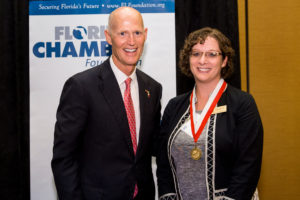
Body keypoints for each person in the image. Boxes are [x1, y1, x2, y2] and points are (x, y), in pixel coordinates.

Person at [51, 7, 162, 200]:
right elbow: (64, 159)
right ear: (108, 37)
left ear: (145, 35)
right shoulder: (81, 87)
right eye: (122, 34)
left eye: (137, 33)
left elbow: (154, 145)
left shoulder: (152, 88)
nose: (131, 42)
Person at [156, 27, 263, 200]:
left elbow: (248, 166)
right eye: (196, 53)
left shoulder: (243, 104)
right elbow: (163, 164)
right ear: (188, 59)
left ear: (224, 60)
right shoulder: (174, 106)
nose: (202, 60)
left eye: (212, 54)